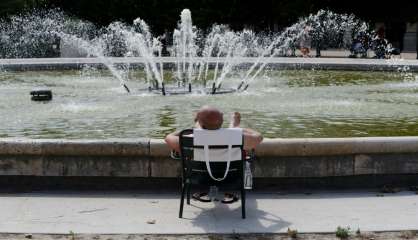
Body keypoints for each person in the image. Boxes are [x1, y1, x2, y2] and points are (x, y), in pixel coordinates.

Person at [165, 106, 263, 203]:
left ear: (200, 123)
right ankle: (232, 125)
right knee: (234, 138)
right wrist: (236, 128)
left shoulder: (191, 139)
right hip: (231, 177)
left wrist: (195, 127)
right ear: (221, 121)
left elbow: (168, 137)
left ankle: (206, 123)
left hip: (199, 178)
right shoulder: (237, 137)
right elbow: (258, 136)